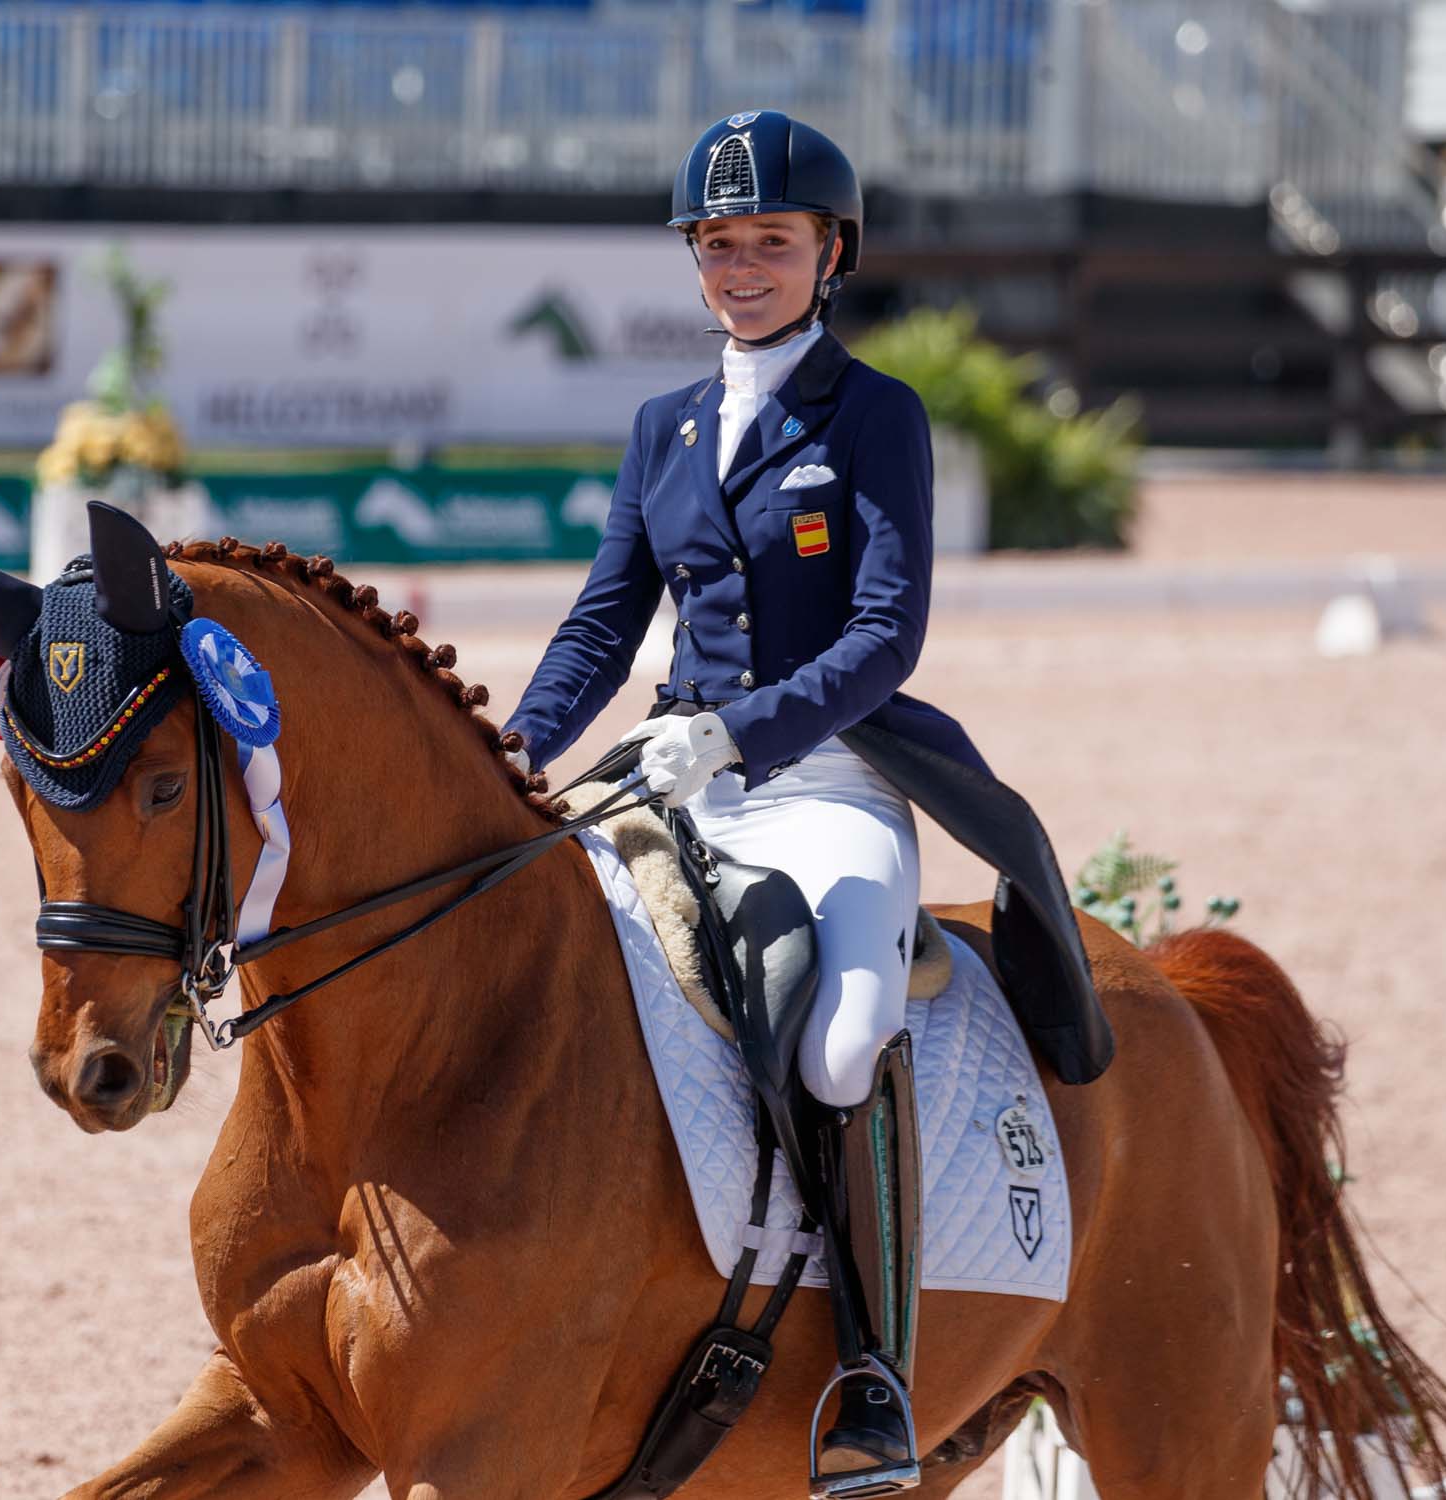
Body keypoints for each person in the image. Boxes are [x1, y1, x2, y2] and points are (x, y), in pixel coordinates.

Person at [501, 109, 944, 1490]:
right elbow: (597, 625)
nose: (741, 266)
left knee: (839, 1039)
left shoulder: (871, 415)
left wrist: (740, 736)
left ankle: (873, 1371)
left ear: (828, 252)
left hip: (823, 782)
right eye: (717, 243)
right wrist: (512, 749)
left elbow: (884, 633)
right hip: (667, 780)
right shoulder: (664, 427)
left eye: (770, 241)